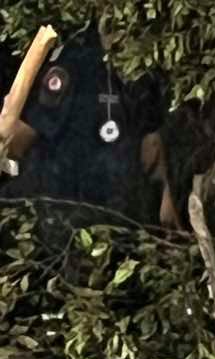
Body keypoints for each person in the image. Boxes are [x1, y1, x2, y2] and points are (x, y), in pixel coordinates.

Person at [0, 23, 174, 227]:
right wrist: (6, 136)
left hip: (122, 214)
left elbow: (151, 143)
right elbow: (24, 137)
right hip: (66, 211)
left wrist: (166, 197)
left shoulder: (143, 64)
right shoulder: (72, 61)